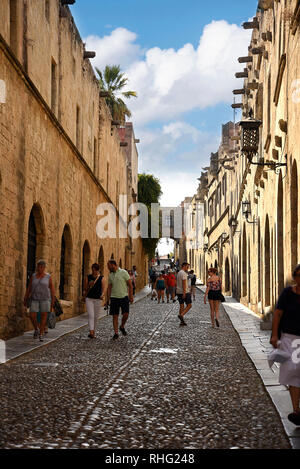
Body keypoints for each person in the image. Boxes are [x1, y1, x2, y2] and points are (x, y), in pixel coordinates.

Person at [270, 264, 300, 426]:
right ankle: (296, 410)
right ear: (294, 277)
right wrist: (274, 334)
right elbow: (278, 313)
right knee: (293, 372)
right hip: (290, 338)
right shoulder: (288, 293)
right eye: (298, 275)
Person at [23, 260, 55, 342]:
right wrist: (25, 297)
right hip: (35, 299)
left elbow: (52, 289)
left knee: (44, 316)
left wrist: (52, 301)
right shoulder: (33, 276)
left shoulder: (48, 277)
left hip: (45, 299)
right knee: (32, 315)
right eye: (38, 266)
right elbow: (29, 288)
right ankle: (36, 329)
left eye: (41, 267)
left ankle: (41, 333)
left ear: (44, 268)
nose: (40, 268)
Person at [106, 260, 134, 340]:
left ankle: (122, 326)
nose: (108, 268)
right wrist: (108, 299)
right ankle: (116, 333)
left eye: (108, 266)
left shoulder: (124, 272)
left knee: (126, 314)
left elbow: (130, 285)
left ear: (113, 265)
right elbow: (109, 287)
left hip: (124, 296)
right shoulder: (110, 275)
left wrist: (131, 296)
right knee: (115, 316)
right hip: (114, 297)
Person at [82, 263, 106, 339]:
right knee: (91, 315)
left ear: (98, 270)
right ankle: (91, 331)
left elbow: (104, 288)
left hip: (98, 299)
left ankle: (93, 331)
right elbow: (85, 288)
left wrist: (103, 295)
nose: (93, 272)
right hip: (89, 298)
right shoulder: (88, 277)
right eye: (92, 270)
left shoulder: (102, 278)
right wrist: (89, 285)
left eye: (95, 270)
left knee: (96, 316)